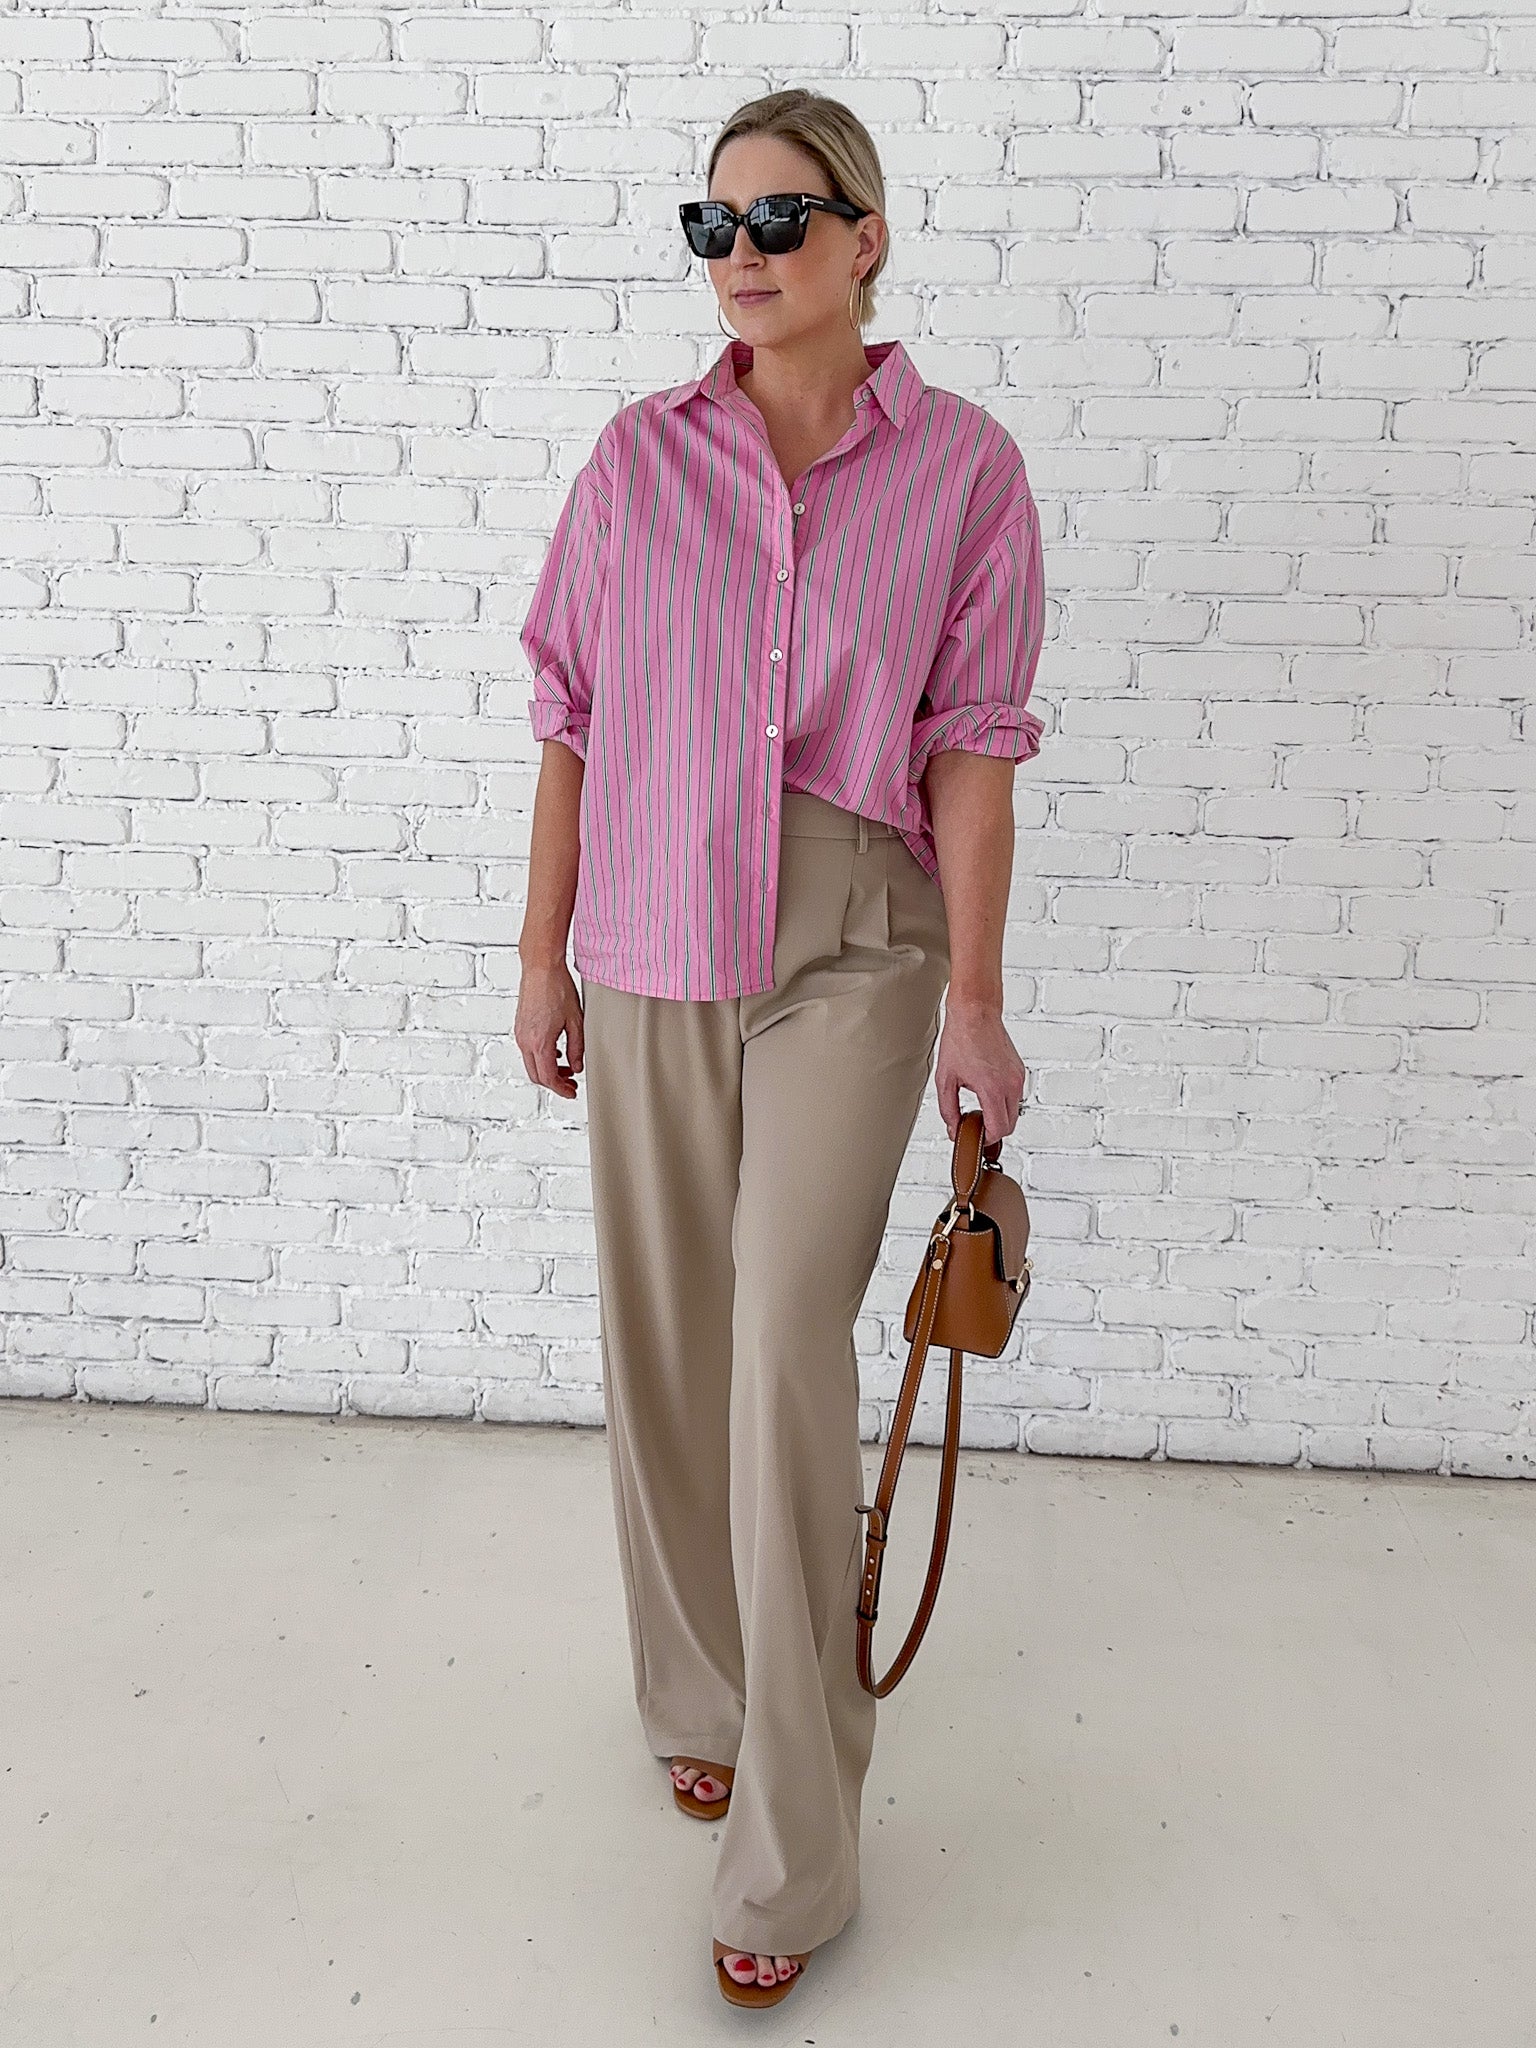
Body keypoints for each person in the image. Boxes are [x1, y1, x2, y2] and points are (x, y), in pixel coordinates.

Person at [514, 86, 1046, 2011]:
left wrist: (973, 995)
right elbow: (570, 718)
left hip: (854, 934)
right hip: (652, 923)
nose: (740, 257)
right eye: (712, 226)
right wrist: (539, 954)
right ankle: (699, 1692)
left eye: (780, 220)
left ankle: (797, 1852)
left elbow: (973, 746)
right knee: (668, 1338)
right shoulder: (635, 459)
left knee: (782, 1342)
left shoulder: (965, 469)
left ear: (866, 238)